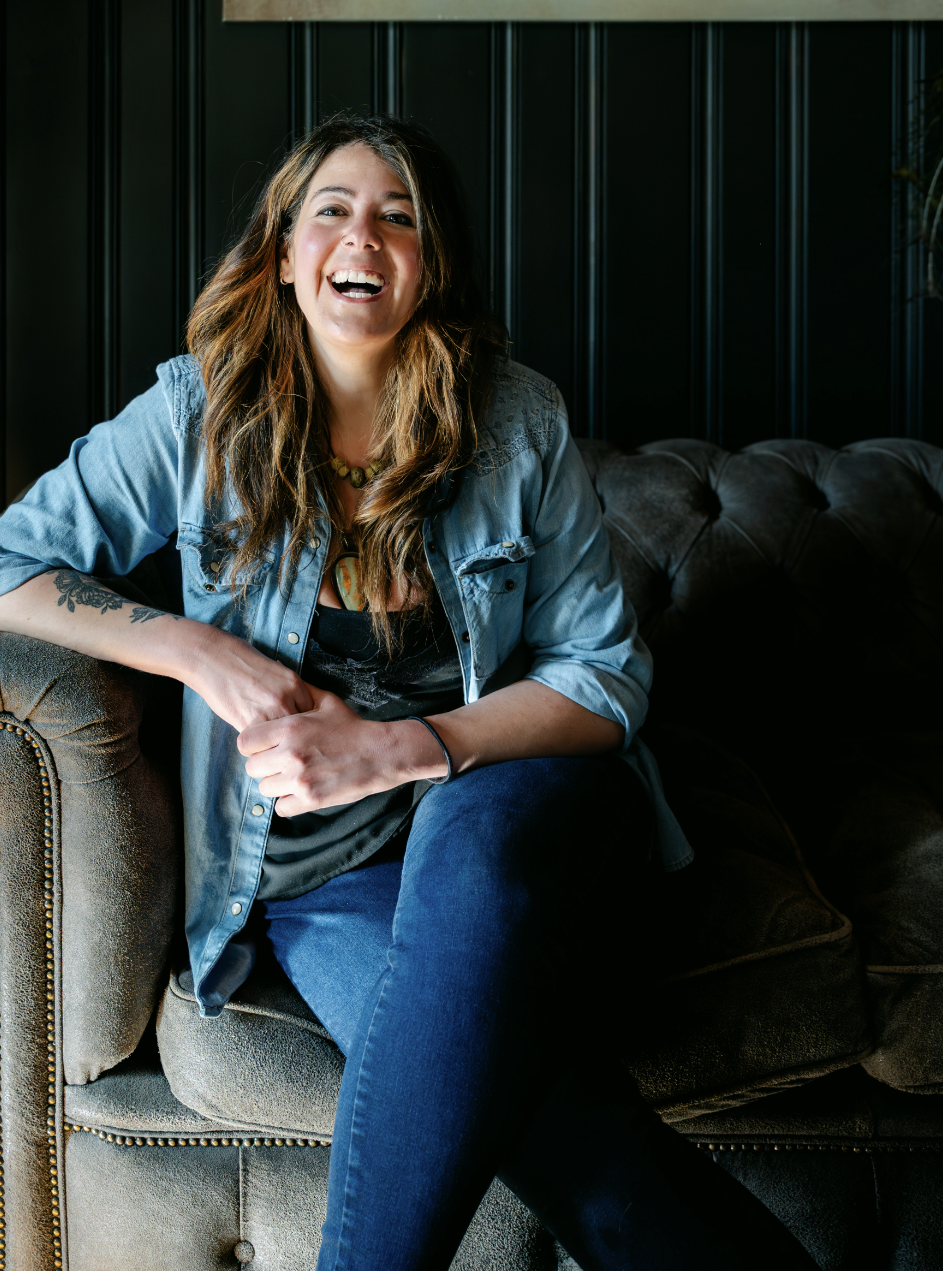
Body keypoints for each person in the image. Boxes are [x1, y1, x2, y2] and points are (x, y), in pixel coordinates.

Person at [0, 113, 818, 1271]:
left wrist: (399, 748)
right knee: (546, 1119)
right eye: (331, 210)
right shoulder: (196, 415)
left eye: (399, 217)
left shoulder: (515, 418)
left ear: (431, 264)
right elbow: (10, 560)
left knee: (471, 843)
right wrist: (197, 650)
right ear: (285, 251)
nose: (363, 236)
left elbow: (604, 677)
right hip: (321, 880)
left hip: (511, 805)